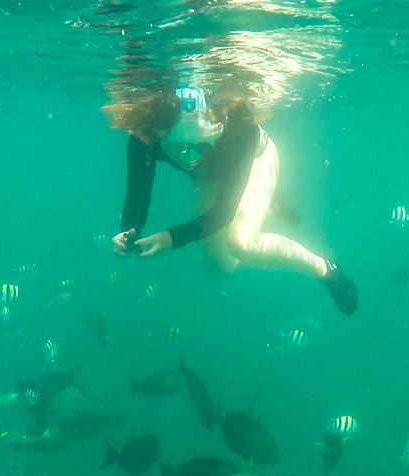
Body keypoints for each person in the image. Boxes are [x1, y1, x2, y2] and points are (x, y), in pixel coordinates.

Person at [101, 84, 357, 315]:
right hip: (211, 178)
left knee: (241, 244)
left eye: (203, 145)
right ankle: (265, 206)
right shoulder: (146, 135)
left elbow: (224, 210)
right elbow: (138, 191)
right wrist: (128, 233)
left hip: (254, 160)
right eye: (181, 149)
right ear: (162, 135)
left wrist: (173, 238)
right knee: (221, 267)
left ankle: (326, 270)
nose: (192, 158)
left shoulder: (239, 128)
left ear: (217, 130)